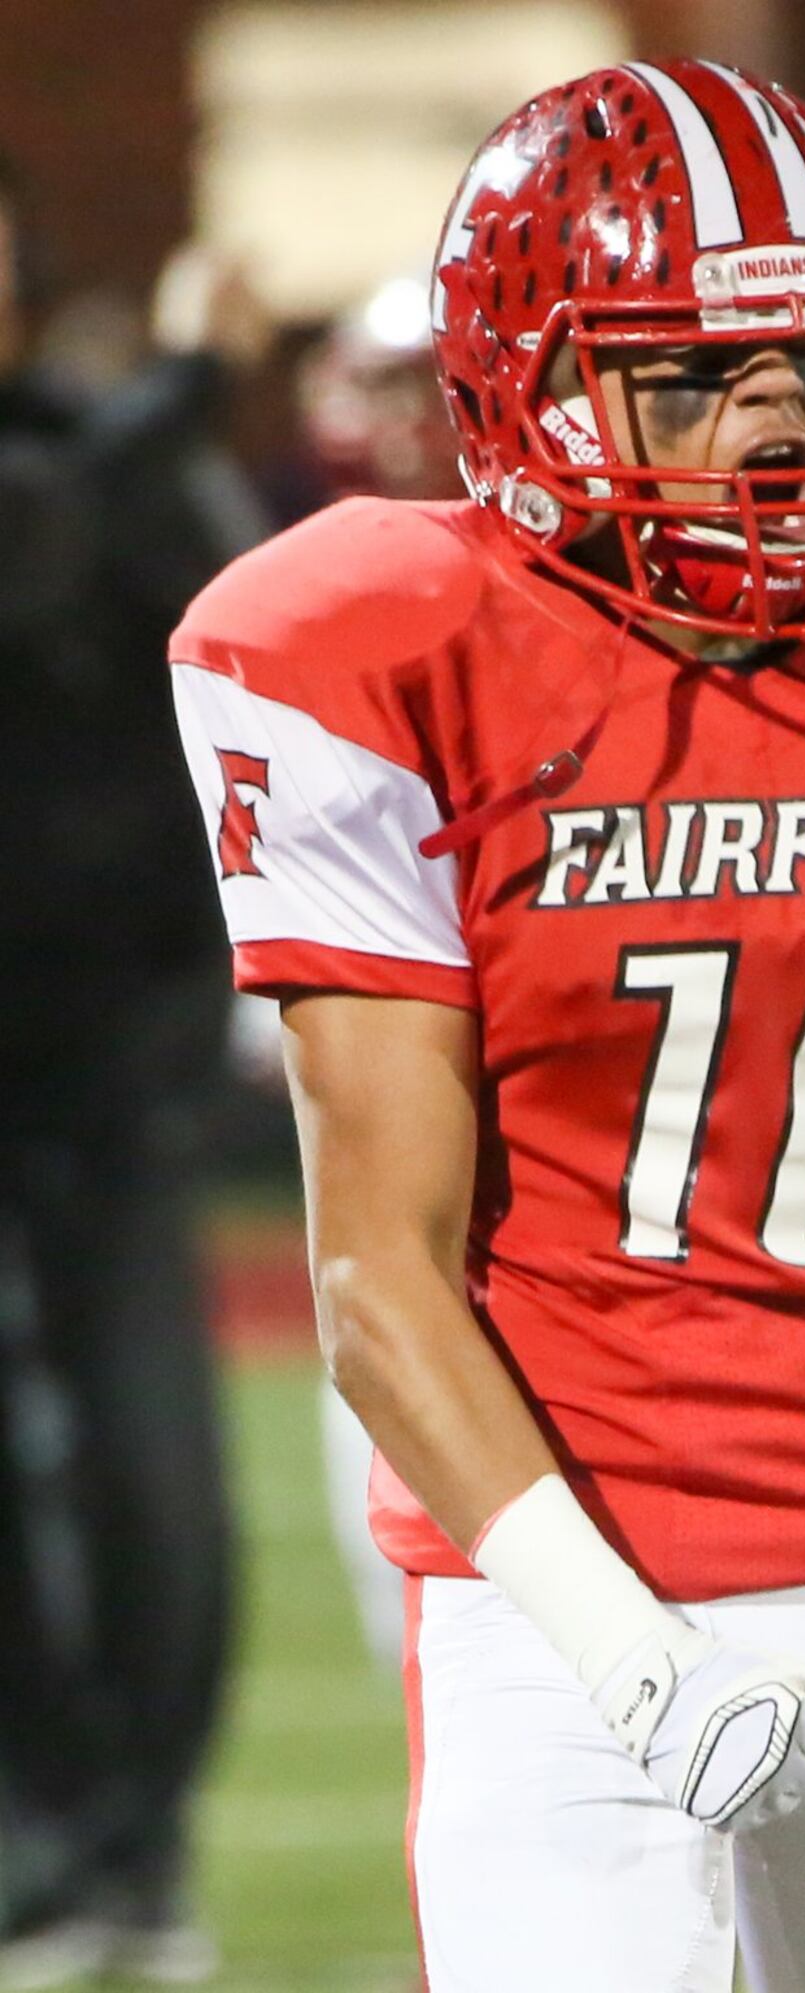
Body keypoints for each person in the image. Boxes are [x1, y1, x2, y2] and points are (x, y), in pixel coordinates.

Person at [169, 61, 805, 1992]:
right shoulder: (383, 645)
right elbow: (380, 1272)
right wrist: (627, 1659)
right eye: (701, 374)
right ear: (528, 387)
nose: (787, 428)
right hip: (573, 1602)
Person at [0, 161, 269, 1984]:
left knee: (152, 1465)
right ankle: (49, 1838)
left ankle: (134, 1839)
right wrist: (184, 384)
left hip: (110, 1055)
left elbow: (240, 656)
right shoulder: (110, 448)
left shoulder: (123, 457)